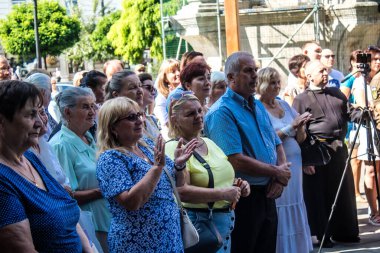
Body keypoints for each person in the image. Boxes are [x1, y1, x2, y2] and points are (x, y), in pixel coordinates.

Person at [204, 51, 291, 253]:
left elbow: (276, 143)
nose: (254, 76)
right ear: (231, 78)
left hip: (268, 192)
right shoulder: (222, 112)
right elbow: (235, 160)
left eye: (255, 70)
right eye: (248, 71)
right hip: (244, 198)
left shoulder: (258, 105)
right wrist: (276, 172)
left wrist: (279, 177)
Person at [0, 80, 92, 252]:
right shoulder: (3, 179)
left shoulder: (29, 157)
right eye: (30, 115)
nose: (40, 124)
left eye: (39, 114)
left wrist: (90, 249)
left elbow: (66, 207)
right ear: (2, 121)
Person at [96, 97, 197, 252]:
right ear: (113, 127)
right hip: (137, 243)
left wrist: (179, 165)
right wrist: (156, 169)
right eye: (131, 117)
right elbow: (131, 203)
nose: (139, 121)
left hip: (169, 238)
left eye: (139, 115)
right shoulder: (110, 158)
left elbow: (179, 185)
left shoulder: (147, 146)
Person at [166, 93, 250, 252]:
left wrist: (239, 185)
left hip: (224, 224)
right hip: (201, 226)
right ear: (175, 119)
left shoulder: (210, 143)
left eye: (199, 111)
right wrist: (223, 194)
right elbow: (182, 191)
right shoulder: (173, 148)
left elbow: (219, 178)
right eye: (190, 114)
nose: (198, 116)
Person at [293, 60, 360, 246]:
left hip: (339, 150)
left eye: (326, 71)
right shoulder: (301, 99)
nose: (326, 74)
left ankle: (345, 232)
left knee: (343, 192)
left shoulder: (336, 93)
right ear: (309, 76)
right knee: (320, 195)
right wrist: (306, 160)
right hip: (317, 151)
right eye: (321, 71)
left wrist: (362, 114)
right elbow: (298, 130)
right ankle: (323, 234)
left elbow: (349, 113)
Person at [257, 67, 313, 253]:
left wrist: (301, 127)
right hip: (279, 164)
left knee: (297, 202)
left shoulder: (284, 104)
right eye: (272, 83)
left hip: (295, 163)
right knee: (281, 205)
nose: (276, 86)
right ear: (262, 85)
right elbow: (268, 139)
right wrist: (292, 126)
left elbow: (300, 138)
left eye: (278, 82)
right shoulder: (259, 109)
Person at [49, 87, 111, 253]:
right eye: (85, 107)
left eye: (93, 106)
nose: (92, 112)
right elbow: (67, 195)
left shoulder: (91, 137)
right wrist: (103, 191)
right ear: (68, 112)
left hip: (110, 218)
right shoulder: (60, 145)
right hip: (92, 226)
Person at [355, 46, 380, 225]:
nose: (377, 62)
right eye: (374, 59)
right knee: (371, 171)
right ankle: (374, 212)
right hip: (368, 128)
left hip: (377, 127)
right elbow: (363, 107)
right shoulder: (359, 81)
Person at [340, 49, 365, 202]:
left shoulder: (364, 77)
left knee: (361, 158)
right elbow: (343, 101)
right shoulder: (348, 79)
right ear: (352, 62)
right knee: (354, 158)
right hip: (353, 124)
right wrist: (360, 105)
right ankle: (355, 192)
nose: (361, 64)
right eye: (358, 61)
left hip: (362, 122)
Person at [25, 73, 58, 140]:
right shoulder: (38, 112)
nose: (51, 94)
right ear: (42, 92)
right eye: (50, 90)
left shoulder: (45, 110)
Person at [153, 59, 180, 139]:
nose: (178, 73)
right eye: (173, 72)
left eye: (179, 70)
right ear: (165, 78)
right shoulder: (161, 99)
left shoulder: (186, 92)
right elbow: (168, 124)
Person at [138, 72, 160, 140]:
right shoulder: (130, 120)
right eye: (148, 87)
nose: (153, 92)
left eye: (154, 89)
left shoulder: (152, 119)